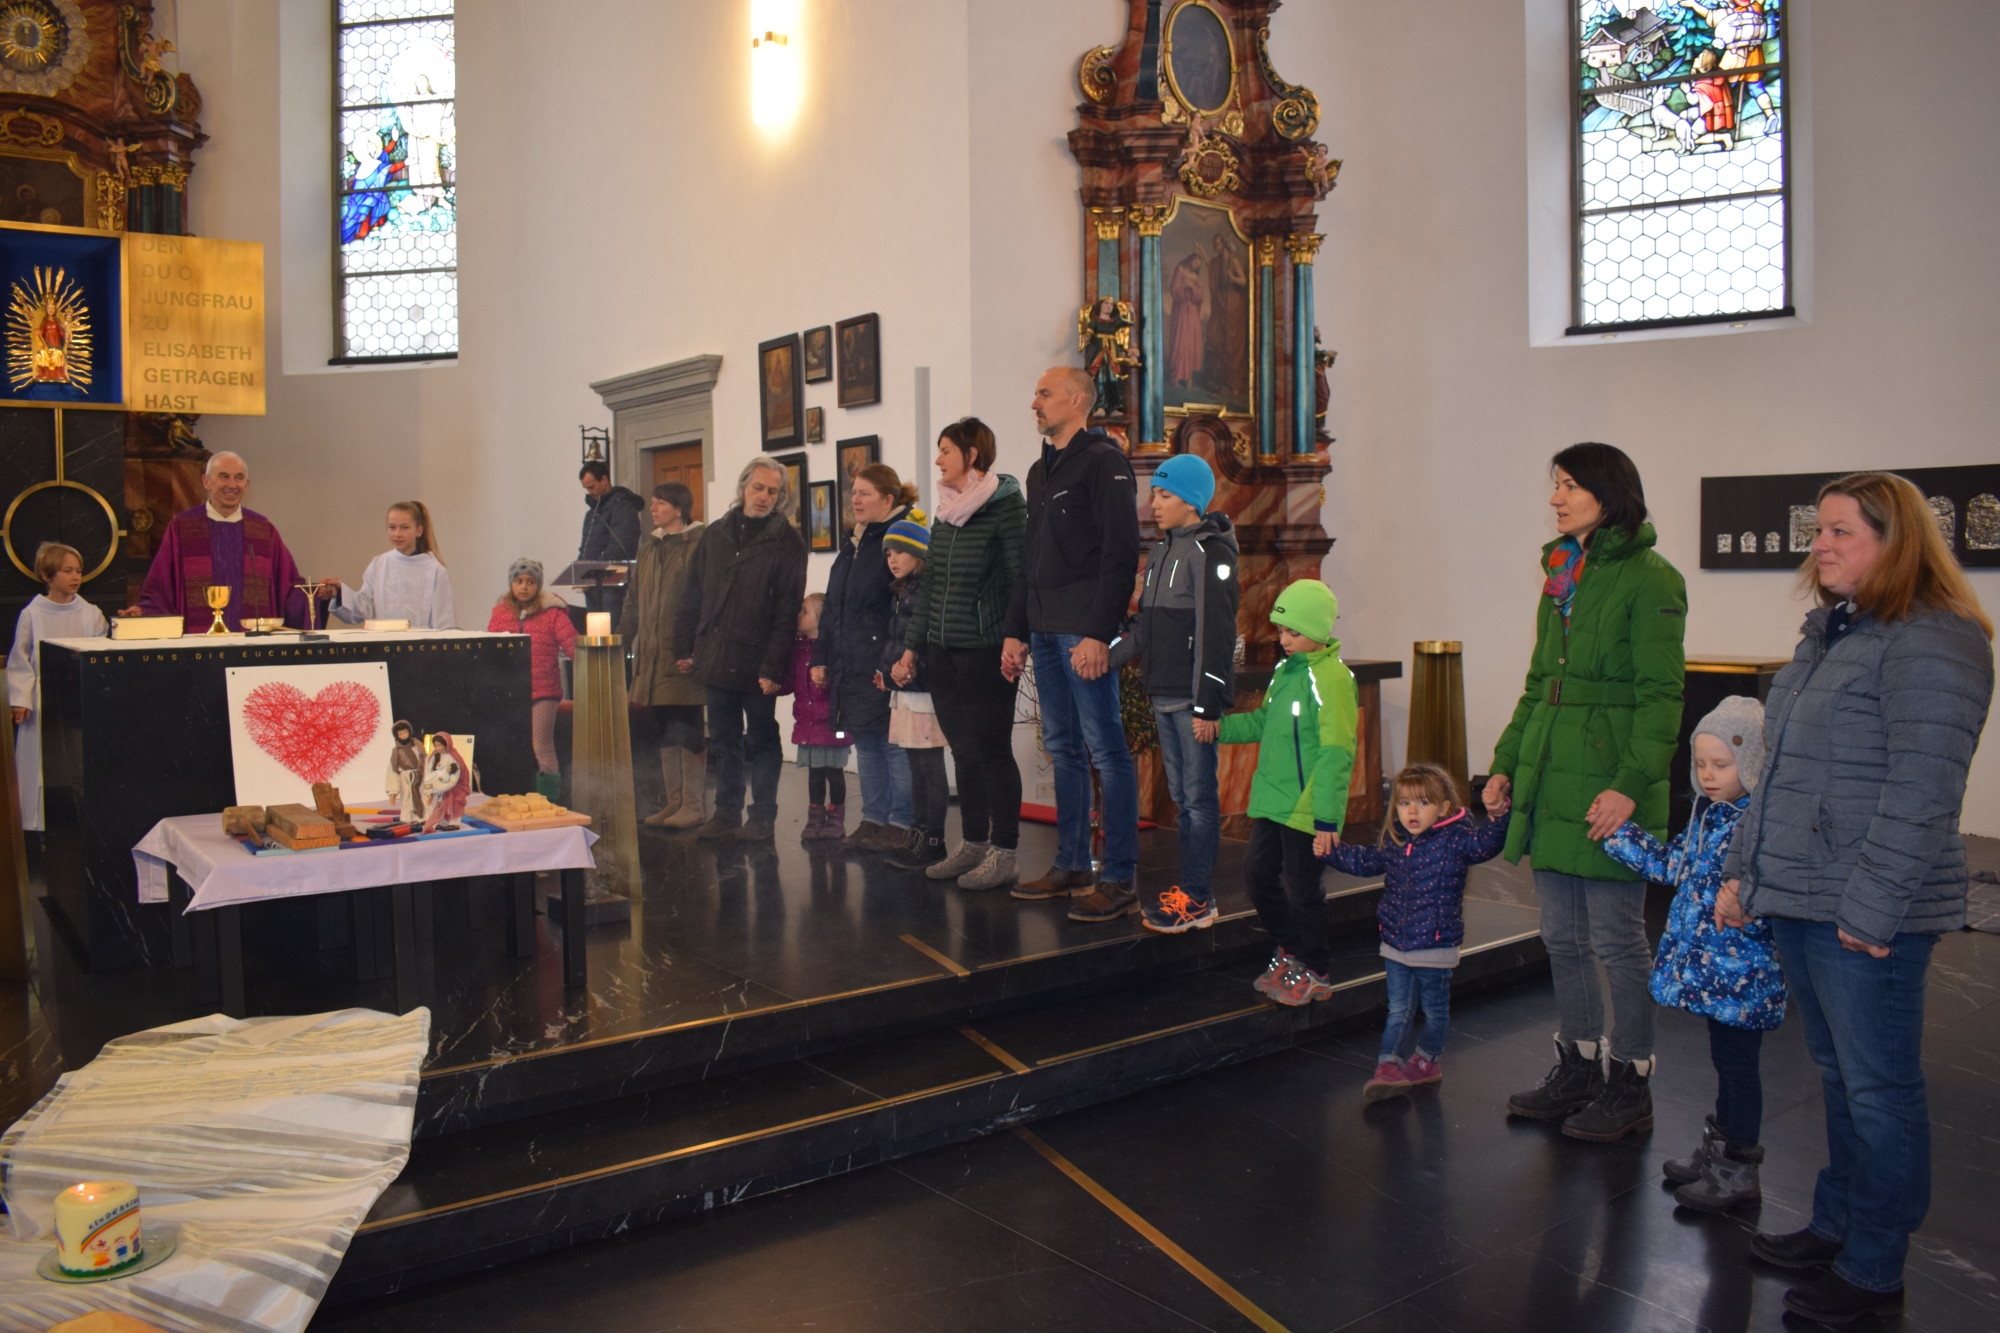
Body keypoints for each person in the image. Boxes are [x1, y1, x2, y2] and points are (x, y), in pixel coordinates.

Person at [1717, 472, 1993, 1325]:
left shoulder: (1935, 638)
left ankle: (1874, 1266)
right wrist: (1743, 869)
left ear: (1896, 540)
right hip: (1804, 895)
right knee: (1840, 1079)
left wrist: (1870, 913)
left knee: (1880, 1091)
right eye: (1820, 529)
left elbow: (1923, 795)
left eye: (1841, 530)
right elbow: (1777, 777)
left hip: (1868, 911)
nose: (1821, 544)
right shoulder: (1829, 634)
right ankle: (1836, 1224)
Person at [1487, 442, 1685, 1142]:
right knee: (1562, 937)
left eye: (1570, 485)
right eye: (1557, 485)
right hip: (1552, 773)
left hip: (1608, 783)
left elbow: (1662, 698)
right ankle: (1577, 1066)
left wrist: (1629, 787)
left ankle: (1630, 1081)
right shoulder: (1561, 572)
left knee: (1618, 941)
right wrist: (1505, 763)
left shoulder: (1653, 579)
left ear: (1609, 492)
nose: (1556, 497)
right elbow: (1541, 683)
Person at [1601, 696, 1782, 1203]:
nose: (1707, 775)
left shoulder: (1764, 824)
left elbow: (1778, 889)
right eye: (1700, 764)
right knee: (1725, 1063)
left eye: (1721, 764)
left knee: (1739, 1069)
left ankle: (1739, 1167)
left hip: (1743, 977)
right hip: (1715, 977)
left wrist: (1751, 900)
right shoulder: (1710, 814)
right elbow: (1672, 866)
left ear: (1754, 762)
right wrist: (1620, 835)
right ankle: (1720, 1149)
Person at [1002, 367, 1142, 920]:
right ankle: (1073, 864)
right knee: (1062, 748)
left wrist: (1099, 632)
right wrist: (1016, 630)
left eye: (1044, 393)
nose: (1033, 402)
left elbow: (1120, 554)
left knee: (1106, 751)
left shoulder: (1104, 462)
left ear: (1077, 399)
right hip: (1044, 628)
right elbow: (1029, 560)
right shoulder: (1041, 470)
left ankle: (1121, 877)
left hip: (1082, 630)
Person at [891, 418, 1027, 891]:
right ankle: (972, 843)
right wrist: (911, 649)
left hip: (986, 649)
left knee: (993, 751)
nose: (938, 460)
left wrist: (1015, 637)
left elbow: (1019, 579)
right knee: (965, 754)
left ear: (971, 455)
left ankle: (1004, 852)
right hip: (943, 650)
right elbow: (930, 587)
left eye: (946, 450)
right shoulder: (947, 511)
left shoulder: (1006, 507)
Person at [1322, 763, 1511, 1101]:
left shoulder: (1456, 841)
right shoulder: (1395, 841)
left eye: (1423, 803)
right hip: (1396, 943)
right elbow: (1365, 862)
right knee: (1398, 1008)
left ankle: (1427, 1060)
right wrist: (1332, 851)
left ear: (1443, 808)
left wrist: (1498, 819)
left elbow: (1485, 845)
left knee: (1434, 1011)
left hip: (1435, 944)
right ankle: (1388, 1065)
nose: (1412, 811)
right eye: (1404, 802)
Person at [1107, 453, 1237, 932]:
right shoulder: (1162, 551)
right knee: (1183, 801)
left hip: (1191, 701)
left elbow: (1216, 634)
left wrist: (1208, 705)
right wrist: (1105, 656)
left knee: (1198, 802)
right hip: (1162, 693)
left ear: (1191, 501)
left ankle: (1199, 898)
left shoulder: (1210, 552)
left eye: (1164, 495)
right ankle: (1192, 891)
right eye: (1153, 495)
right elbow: (1145, 626)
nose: (1154, 504)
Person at [1217, 579, 1357, 1003]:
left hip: (1308, 806)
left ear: (1318, 629)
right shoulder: (1285, 671)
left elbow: (1336, 752)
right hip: (1274, 800)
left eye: (1293, 632)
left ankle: (1315, 969)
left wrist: (1326, 818)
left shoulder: (1333, 679)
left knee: (1302, 887)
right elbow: (1265, 722)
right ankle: (1292, 950)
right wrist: (1220, 729)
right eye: (1280, 631)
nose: (1284, 640)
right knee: (1257, 876)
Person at [674, 457, 807, 841]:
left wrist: (773, 666)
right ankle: (726, 814)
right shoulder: (716, 534)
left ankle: (762, 817)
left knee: (762, 740)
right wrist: (684, 646)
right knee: (724, 740)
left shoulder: (788, 542)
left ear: (780, 496)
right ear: (744, 487)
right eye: (758, 488)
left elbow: (787, 610)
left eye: (772, 491)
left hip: (758, 659)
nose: (764, 496)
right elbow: (693, 594)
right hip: (717, 654)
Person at [814, 464, 919, 852]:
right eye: (854, 492)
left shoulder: (899, 540)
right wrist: (821, 656)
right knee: (868, 746)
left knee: (893, 746)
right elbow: (833, 608)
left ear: (888, 499)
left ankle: (901, 822)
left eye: (864, 493)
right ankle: (874, 818)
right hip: (851, 663)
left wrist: (893, 661)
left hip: (883, 663)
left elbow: (905, 609)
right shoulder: (854, 544)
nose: (855, 500)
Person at [130, 451, 332, 631]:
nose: (232, 485)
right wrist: (143, 612)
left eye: (239, 478)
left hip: (253, 646)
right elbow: (161, 588)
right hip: (198, 646)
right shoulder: (182, 527)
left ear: (247, 484)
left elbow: (288, 589)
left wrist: (317, 594)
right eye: (224, 476)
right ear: (206, 482)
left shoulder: (262, 529)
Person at [618, 482, 708, 829]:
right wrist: (621, 642)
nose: (652, 509)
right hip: (652, 658)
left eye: (660, 503)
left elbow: (705, 601)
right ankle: (674, 802)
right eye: (652, 503)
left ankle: (694, 805)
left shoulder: (699, 545)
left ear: (679, 508)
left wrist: (696, 648)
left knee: (686, 728)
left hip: (681, 654)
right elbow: (633, 602)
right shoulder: (648, 548)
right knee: (665, 729)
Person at [8, 542, 107, 831]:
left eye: (78, 570)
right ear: (47, 575)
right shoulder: (32, 614)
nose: (75, 577)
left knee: (78, 761)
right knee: (41, 761)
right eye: (67, 571)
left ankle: (79, 821)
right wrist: (21, 699)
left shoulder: (91, 614)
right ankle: (38, 826)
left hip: (79, 698)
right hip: (42, 701)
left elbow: (100, 652)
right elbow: (20, 660)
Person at [878, 518, 950, 870]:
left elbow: (928, 640)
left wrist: (910, 668)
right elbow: (897, 638)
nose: (893, 559)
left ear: (919, 554)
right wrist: (887, 670)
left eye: (901, 552)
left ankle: (933, 839)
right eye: (889, 553)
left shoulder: (927, 592)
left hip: (925, 690)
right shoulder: (901, 591)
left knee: (928, 766)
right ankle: (919, 831)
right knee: (915, 764)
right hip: (907, 688)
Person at [485, 558, 575, 801]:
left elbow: (574, 646)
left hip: (544, 691)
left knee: (542, 746)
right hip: (512, 691)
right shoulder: (501, 613)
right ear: (511, 584)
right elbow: (491, 650)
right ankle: (517, 797)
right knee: (513, 745)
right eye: (519, 581)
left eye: (530, 582)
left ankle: (550, 800)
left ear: (538, 585)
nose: (524, 587)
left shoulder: (552, 614)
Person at [332, 500, 456, 628]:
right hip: (385, 639)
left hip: (421, 640)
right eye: (392, 527)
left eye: (404, 528)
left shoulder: (435, 570)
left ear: (419, 531)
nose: (397, 534)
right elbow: (364, 609)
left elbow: (444, 621)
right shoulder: (378, 564)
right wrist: (339, 593)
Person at [788, 593, 849, 840]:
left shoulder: (835, 651)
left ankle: (835, 816)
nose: (799, 615)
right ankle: (815, 815)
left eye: (805, 611)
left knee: (834, 771)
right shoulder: (798, 648)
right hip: (808, 724)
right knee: (815, 772)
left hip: (833, 725)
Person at [577, 460, 643, 622]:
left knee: (611, 632)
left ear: (604, 479)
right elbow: (586, 548)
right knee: (594, 632)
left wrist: (590, 573)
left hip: (612, 585)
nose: (589, 492)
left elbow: (620, 546)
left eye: (592, 487)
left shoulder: (623, 507)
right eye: (586, 488)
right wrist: (578, 573)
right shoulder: (592, 513)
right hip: (593, 584)